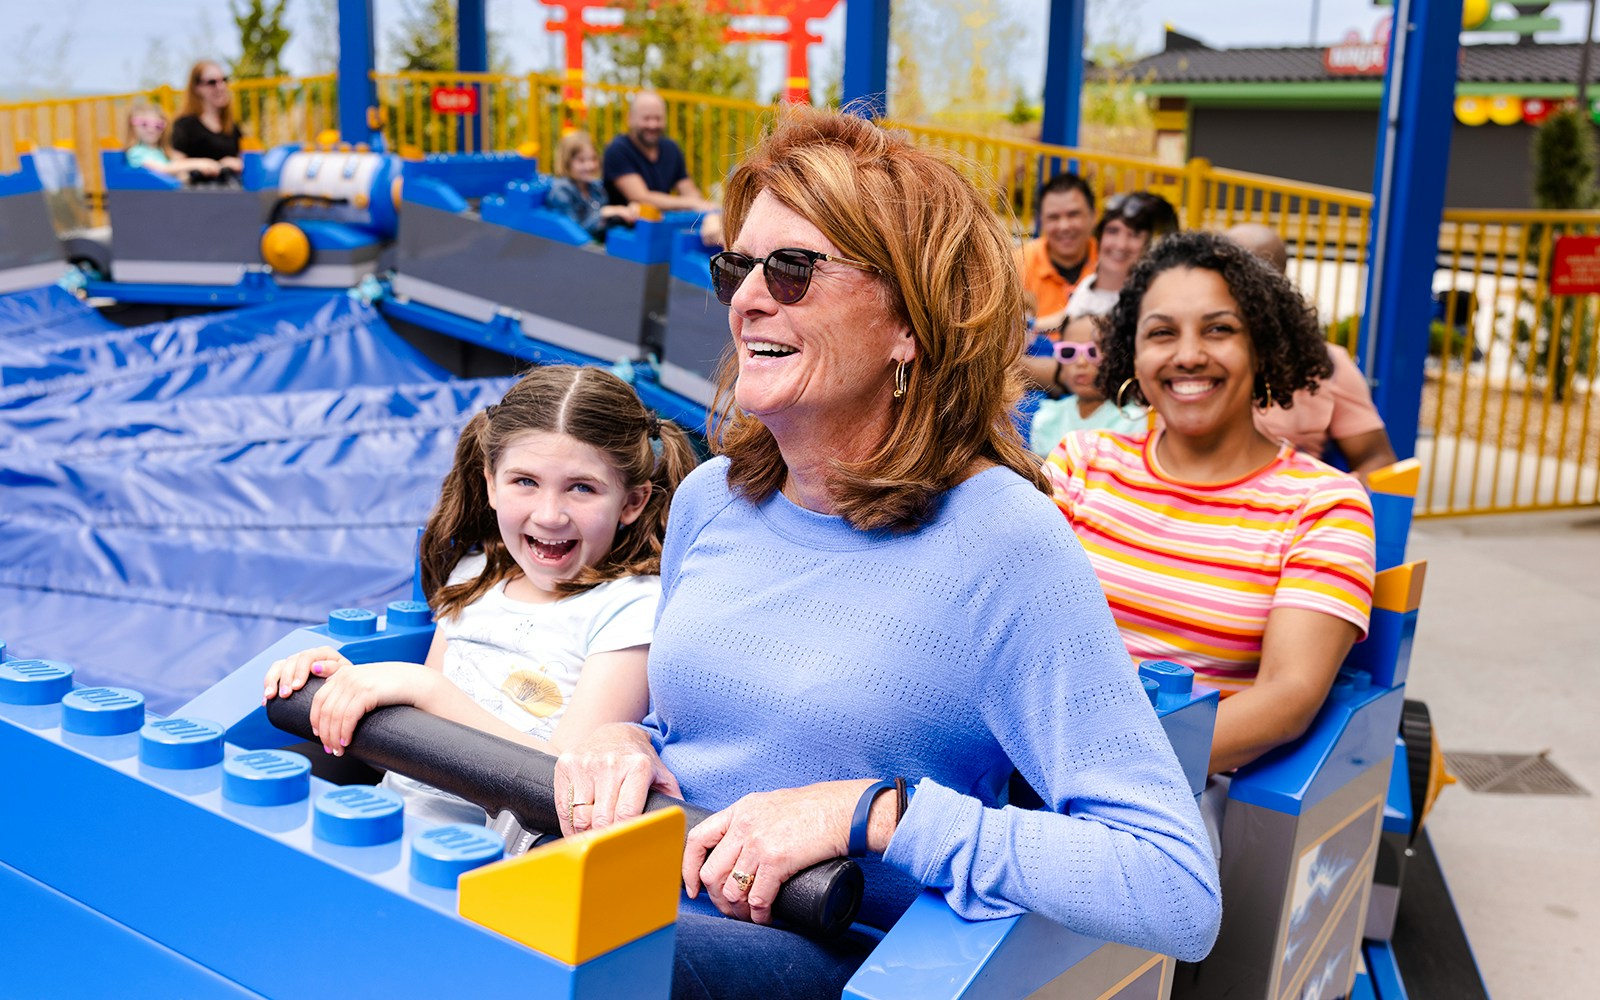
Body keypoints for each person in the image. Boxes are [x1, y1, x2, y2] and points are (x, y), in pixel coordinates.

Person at [556, 108, 1219, 1000]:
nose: (748, 296)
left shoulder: (1002, 540)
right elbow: (713, 738)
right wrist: (621, 741)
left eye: (792, 269)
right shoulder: (712, 501)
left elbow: (1175, 885)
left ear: (909, 323)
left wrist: (872, 814)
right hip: (647, 897)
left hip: (842, 954)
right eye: (735, 267)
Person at [262, 365, 697, 825]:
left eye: (582, 488)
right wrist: (346, 693)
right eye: (525, 481)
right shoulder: (474, 579)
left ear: (632, 502)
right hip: (393, 822)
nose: (550, 515)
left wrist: (423, 690)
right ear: (491, 483)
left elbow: (571, 782)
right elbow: (408, 757)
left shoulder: (631, 608)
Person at [1043, 231, 1377, 777]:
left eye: (1219, 330)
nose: (1190, 355)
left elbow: (1287, 697)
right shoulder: (1081, 461)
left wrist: (1111, 768)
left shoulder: (1322, 504)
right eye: (1162, 333)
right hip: (1028, 760)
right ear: (1134, 354)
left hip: (1182, 787)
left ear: (1262, 346)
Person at [1225, 223, 1398, 482]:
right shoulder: (1188, 358)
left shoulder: (1326, 364)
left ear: (1276, 285)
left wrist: (1327, 504)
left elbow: (1377, 460)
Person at [1021, 190, 1178, 400]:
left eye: (1133, 235)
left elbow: (1098, 373)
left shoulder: (1145, 299)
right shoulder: (1090, 283)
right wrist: (1026, 325)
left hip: (1100, 392)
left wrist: (1014, 364)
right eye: (1113, 231)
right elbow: (1068, 319)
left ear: (1149, 245)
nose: (1120, 244)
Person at [602, 90, 722, 242]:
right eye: (646, 118)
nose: (653, 124)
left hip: (662, 232)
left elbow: (689, 191)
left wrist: (705, 208)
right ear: (630, 119)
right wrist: (692, 203)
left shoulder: (670, 149)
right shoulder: (617, 150)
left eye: (658, 118)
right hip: (625, 237)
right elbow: (641, 197)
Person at [1027, 314, 1145, 454]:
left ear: (1118, 357)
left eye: (1093, 351)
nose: (1081, 362)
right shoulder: (1048, 418)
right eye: (1069, 352)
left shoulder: (1133, 420)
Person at [1018, 172, 1097, 333]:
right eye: (1054, 217)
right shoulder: (1017, 265)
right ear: (1041, 221)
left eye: (1073, 214)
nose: (1064, 226)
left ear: (1093, 215)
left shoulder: (1115, 265)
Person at [545, 131, 640, 241]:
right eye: (581, 160)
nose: (589, 165)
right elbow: (573, 233)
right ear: (567, 162)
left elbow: (607, 224)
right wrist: (604, 213)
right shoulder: (561, 191)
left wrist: (627, 212)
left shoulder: (595, 188)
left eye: (593, 159)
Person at [170, 61, 244, 185]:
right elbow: (174, 165)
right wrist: (208, 164)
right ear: (197, 88)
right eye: (212, 82)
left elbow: (245, 159)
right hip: (199, 196)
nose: (220, 87)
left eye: (224, 80)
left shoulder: (231, 126)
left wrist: (236, 163)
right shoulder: (185, 125)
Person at [123, 103, 223, 181]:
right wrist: (199, 163)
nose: (151, 129)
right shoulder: (136, 152)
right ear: (132, 126)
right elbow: (163, 169)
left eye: (158, 125)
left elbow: (174, 175)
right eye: (144, 124)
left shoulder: (161, 152)